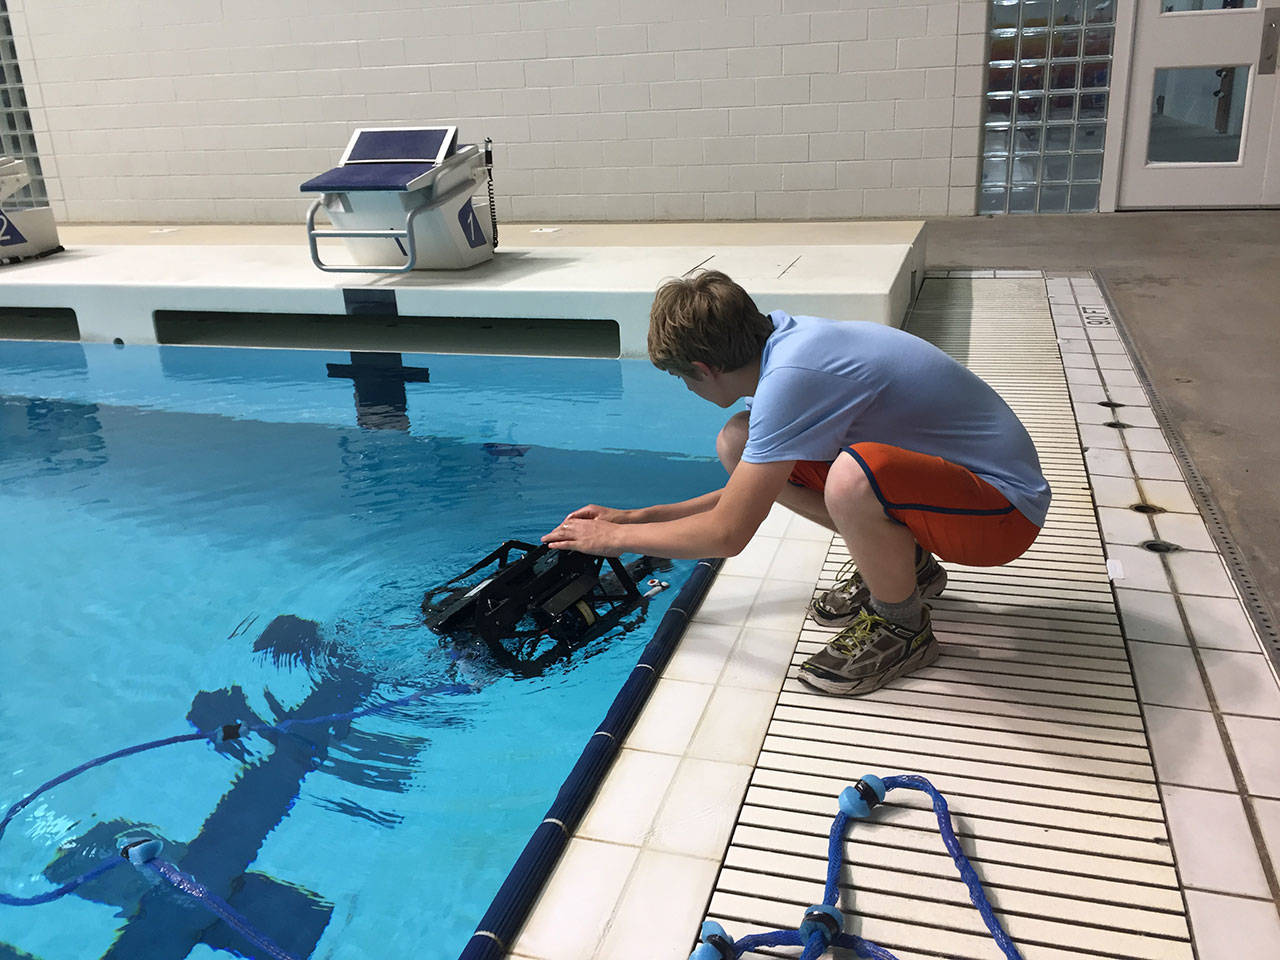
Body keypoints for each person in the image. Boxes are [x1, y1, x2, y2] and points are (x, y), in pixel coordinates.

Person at [542, 270, 1050, 695]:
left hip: (1002, 513)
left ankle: (903, 626)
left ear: (703, 368)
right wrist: (636, 517)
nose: (686, 388)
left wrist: (615, 538)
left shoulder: (792, 379)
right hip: (957, 490)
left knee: (852, 478)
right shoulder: (785, 347)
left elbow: (728, 534)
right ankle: (908, 566)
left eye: (682, 378)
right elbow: (749, 493)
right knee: (738, 442)